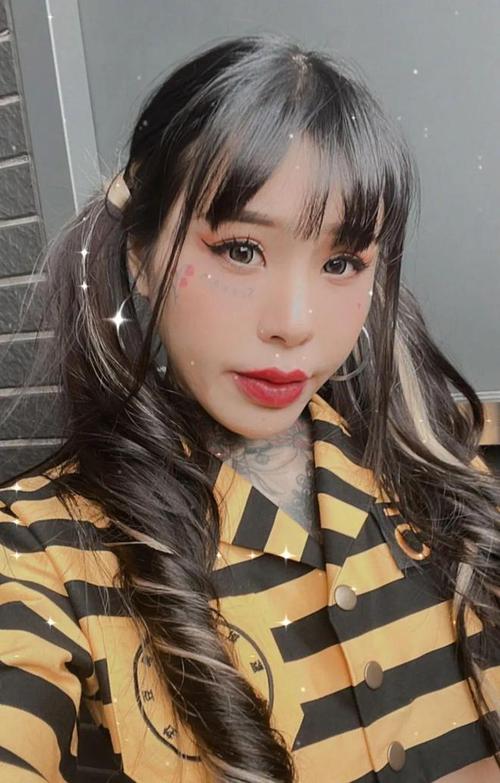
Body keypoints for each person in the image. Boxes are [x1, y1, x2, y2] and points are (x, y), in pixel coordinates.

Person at [0, 32, 498, 783]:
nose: (294, 322)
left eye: (342, 263)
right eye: (240, 249)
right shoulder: (42, 548)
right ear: (140, 257)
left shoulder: (441, 476)